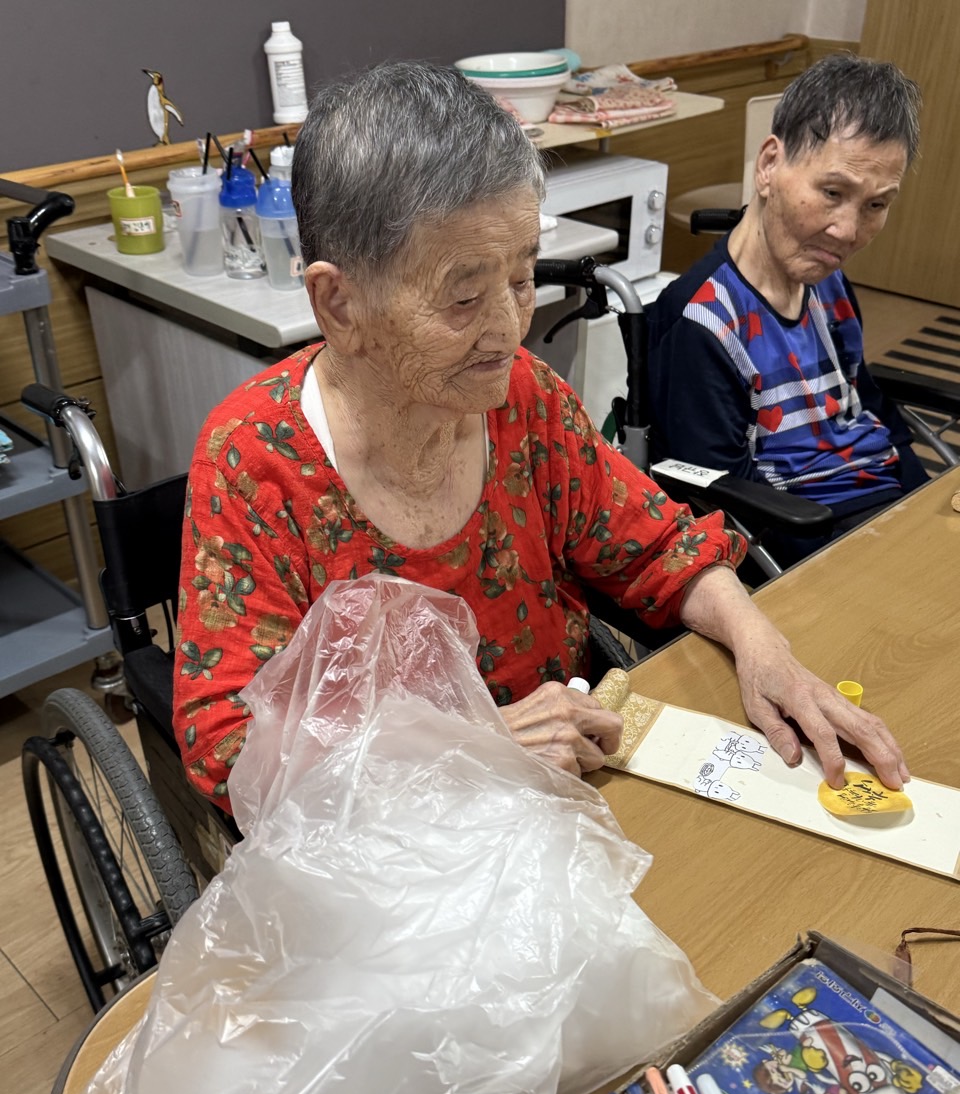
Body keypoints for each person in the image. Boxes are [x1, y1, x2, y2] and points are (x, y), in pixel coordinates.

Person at [173, 60, 909, 813]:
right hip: (392, 835)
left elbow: (657, 546)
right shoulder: (254, 460)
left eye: (522, 279)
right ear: (339, 303)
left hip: (570, 787)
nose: (508, 329)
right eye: (464, 297)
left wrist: (764, 650)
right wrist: (480, 748)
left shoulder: (523, 397)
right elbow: (228, 747)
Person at [647, 54, 929, 567]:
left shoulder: (827, 282)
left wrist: (925, 505)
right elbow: (725, 494)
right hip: (807, 537)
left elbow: (866, 404)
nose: (848, 232)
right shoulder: (702, 321)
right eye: (832, 192)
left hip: (885, 506)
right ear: (769, 165)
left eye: (876, 205)